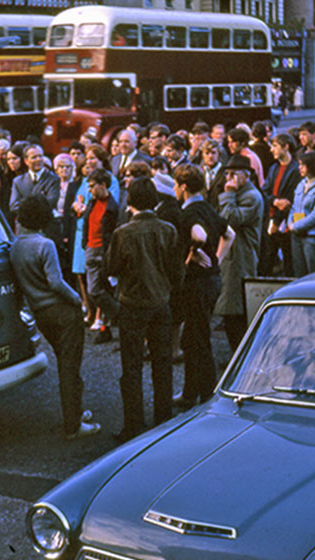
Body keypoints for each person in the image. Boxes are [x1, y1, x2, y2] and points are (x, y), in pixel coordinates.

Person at [9, 194, 101, 440]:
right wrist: (79, 301)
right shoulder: (44, 244)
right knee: (71, 368)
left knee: (64, 362)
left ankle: (77, 412)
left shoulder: (14, 246)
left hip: (41, 313)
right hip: (62, 311)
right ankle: (73, 424)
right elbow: (56, 282)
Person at [105, 177, 183, 442]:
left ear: (131, 201)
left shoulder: (123, 233)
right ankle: (163, 419)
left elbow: (112, 268)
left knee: (132, 365)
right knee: (163, 362)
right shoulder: (168, 230)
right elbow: (176, 271)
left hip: (133, 302)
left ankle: (133, 424)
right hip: (161, 301)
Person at [172, 164, 234, 409]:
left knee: (198, 338)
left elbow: (198, 235)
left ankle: (206, 395)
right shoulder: (208, 208)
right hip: (212, 279)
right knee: (193, 336)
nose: (176, 190)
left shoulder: (187, 213)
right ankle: (191, 391)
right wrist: (217, 258)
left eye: (177, 185)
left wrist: (194, 250)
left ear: (184, 187)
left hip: (197, 282)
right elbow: (229, 234)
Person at [215, 154, 263, 351]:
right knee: (231, 309)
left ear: (247, 175)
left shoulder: (251, 197)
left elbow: (229, 219)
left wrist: (228, 194)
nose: (229, 179)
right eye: (227, 174)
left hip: (241, 257)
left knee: (236, 310)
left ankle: (240, 355)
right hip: (233, 256)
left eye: (233, 174)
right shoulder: (239, 194)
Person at [82, 167, 120, 344]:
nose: (90, 190)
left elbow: (113, 232)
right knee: (95, 290)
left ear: (103, 185)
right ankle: (118, 317)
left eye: (92, 186)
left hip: (104, 252)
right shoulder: (92, 202)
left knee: (100, 290)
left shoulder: (113, 207)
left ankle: (111, 323)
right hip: (91, 248)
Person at [262, 133, 299, 277]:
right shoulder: (273, 168)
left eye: (275, 146)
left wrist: (277, 220)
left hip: (286, 222)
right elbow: (265, 191)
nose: (271, 150)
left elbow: (290, 199)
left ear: (286, 147)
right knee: (268, 261)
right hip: (271, 219)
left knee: (289, 261)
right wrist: (275, 201)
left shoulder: (295, 170)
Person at [9, 144, 60, 222]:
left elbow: (50, 203)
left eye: (40, 156)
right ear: (26, 161)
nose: (38, 159)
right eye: (34, 157)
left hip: (45, 226)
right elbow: (14, 206)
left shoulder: (53, 179)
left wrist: (25, 207)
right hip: (24, 227)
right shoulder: (18, 181)